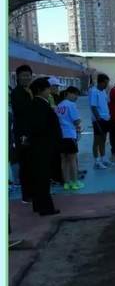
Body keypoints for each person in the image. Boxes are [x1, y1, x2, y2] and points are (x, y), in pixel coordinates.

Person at [28, 78, 62, 216]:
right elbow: (43, 127)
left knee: (39, 177)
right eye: (48, 88)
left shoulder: (40, 103)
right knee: (43, 177)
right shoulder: (40, 105)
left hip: (41, 145)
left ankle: (39, 205)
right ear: (40, 90)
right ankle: (46, 208)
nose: (49, 91)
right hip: (43, 146)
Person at [11, 64, 33, 203]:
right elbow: (22, 111)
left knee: (31, 162)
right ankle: (26, 196)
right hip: (22, 134)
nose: (26, 78)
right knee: (25, 163)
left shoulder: (29, 90)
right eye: (23, 75)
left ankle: (33, 192)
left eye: (28, 75)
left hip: (30, 132)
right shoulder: (16, 93)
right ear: (18, 77)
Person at [55, 87, 83, 190]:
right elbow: (76, 121)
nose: (76, 97)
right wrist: (79, 124)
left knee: (64, 160)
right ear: (68, 93)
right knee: (72, 160)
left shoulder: (59, 105)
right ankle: (75, 182)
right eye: (75, 94)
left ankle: (66, 183)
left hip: (60, 135)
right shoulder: (71, 105)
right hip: (70, 135)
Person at [89, 73, 111, 169]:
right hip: (98, 120)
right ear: (100, 82)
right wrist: (98, 120)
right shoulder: (94, 91)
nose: (106, 85)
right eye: (105, 83)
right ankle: (96, 161)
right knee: (97, 141)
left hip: (106, 119)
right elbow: (93, 107)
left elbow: (105, 104)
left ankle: (103, 158)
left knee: (103, 139)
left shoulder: (103, 91)